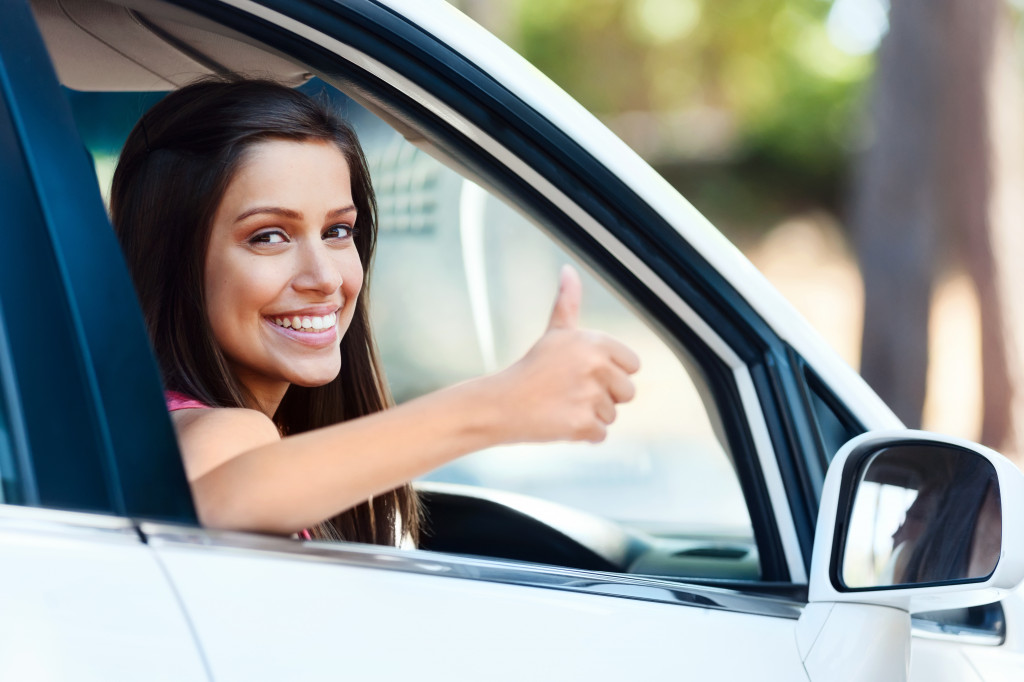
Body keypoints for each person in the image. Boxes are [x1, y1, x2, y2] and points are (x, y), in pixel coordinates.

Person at [110, 77, 639, 546]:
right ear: (174, 261)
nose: (325, 277)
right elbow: (221, 499)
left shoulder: (178, 421)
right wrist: (502, 403)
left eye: (338, 231)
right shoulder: (216, 432)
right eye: (269, 236)